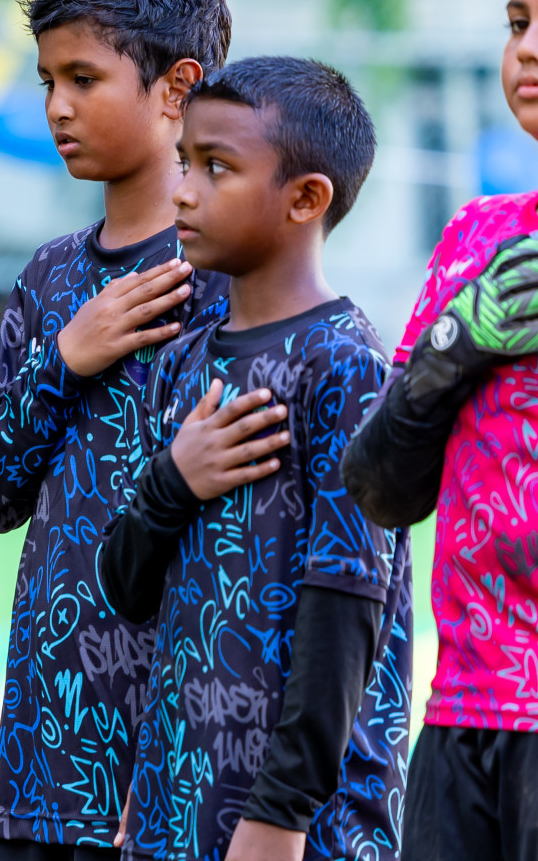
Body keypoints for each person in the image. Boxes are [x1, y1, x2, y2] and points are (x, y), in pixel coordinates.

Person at [0, 0, 232, 861]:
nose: (56, 107)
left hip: (172, 766)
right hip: (41, 760)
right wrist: (66, 358)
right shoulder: (47, 279)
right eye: (46, 80)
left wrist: (174, 772)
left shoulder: (231, 282)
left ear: (176, 88)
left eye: (83, 77)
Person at [100, 56, 411, 861]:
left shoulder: (345, 368)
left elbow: (345, 611)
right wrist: (173, 481)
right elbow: (128, 590)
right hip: (176, 811)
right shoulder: (186, 358)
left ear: (306, 199)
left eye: (217, 168)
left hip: (300, 828)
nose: (183, 192)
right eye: (185, 163)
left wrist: (281, 814)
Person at [340, 0, 538, 861]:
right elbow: (382, 489)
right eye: (515, 22)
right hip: (462, 716)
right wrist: (454, 348)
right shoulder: (476, 241)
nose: (527, 50)